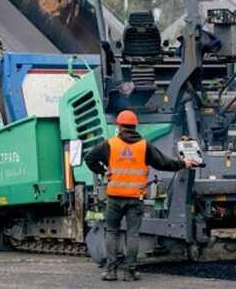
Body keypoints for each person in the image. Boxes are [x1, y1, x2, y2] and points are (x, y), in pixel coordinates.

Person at [84, 110, 198, 282]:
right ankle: (130, 271)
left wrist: (103, 171)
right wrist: (184, 164)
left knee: (112, 232)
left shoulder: (110, 144)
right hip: (135, 198)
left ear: (119, 126)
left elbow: (89, 158)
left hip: (115, 197)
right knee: (133, 234)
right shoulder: (144, 146)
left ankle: (111, 271)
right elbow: (164, 163)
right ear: (135, 126)